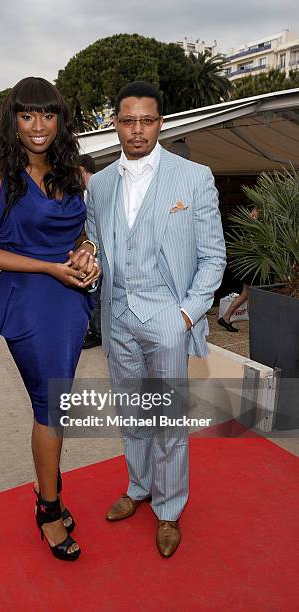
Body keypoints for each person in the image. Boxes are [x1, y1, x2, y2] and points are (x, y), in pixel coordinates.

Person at [86, 81, 226, 557]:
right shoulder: (100, 184)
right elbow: (95, 244)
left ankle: (169, 510)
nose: (138, 130)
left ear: (160, 122)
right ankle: (138, 486)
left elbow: (213, 257)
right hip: (118, 315)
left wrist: (185, 315)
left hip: (168, 317)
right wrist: (87, 257)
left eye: (147, 120)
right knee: (132, 412)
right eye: (128, 121)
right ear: (116, 124)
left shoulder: (193, 177)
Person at [0, 77, 99, 562]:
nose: (38, 126)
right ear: (13, 121)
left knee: (57, 405)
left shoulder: (73, 172)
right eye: (27, 116)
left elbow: (89, 229)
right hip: (30, 300)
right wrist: (48, 266)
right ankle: (48, 508)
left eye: (47, 115)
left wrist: (85, 250)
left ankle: (51, 488)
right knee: (50, 405)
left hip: (71, 301)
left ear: (60, 119)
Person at [218, 207, 260, 332]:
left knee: (246, 294)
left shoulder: (248, 226)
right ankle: (228, 317)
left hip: (250, 265)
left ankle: (226, 317)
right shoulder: (255, 229)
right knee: (251, 294)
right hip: (253, 266)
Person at [78, 153, 102, 349]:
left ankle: (96, 332)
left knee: (94, 295)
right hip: (93, 251)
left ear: (80, 170)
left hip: (97, 252)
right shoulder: (88, 191)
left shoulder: (95, 189)